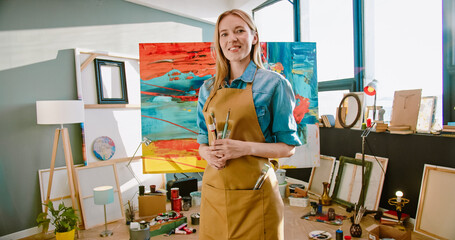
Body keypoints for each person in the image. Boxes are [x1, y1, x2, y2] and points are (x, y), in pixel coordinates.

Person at [196, 9, 302, 240]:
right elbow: (202, 141)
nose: (231, 39)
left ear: (254, 37)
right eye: (224, 34)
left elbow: (288, 147)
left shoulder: (275, 84)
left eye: (239, 31)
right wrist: (207, 153)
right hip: (214, 193)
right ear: (219, 42)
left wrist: (244, 148)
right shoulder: (207, 89)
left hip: (257, 194)